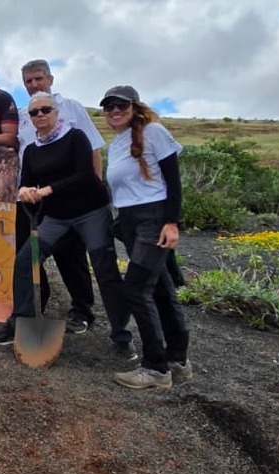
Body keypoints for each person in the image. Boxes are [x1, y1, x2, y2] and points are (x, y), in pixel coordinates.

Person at [0, 93, 130, 354]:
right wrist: (26, 192)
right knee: (24, 262)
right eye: (34, 113)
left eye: (45, 110)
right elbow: (27, 184)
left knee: (105, 270)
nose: (40, 115)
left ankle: (122, 336)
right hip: (56, 217)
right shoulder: (31, 150)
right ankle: (22, 322)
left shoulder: (75, 138)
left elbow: (86, 176)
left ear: (56, 113)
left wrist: (46, 190)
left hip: (91, 212)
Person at [100, 85, 191, 389]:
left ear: (135, 107)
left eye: (120, 106)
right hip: (129, 219)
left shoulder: (153, 132)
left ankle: (156, 368)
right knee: (161, 289)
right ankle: (177, 361)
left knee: (136, 290)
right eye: (109, 106)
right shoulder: (116, 143)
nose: (114, 111)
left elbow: (173, 180)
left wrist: (172, 221)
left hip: (153, 218)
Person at [16, 59, 105, 338]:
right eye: (28, 81)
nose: (34, 85)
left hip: (77, 200)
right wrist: (25, 190)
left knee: (72, 257)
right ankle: (30, 313)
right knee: (28, 257)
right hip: (37, 199)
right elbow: (24, 155)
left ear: (50, 79)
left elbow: (93, 151)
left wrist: (95, 188)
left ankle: (82, 310)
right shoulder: (23, 114)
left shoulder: (72, 109)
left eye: (38, 79)